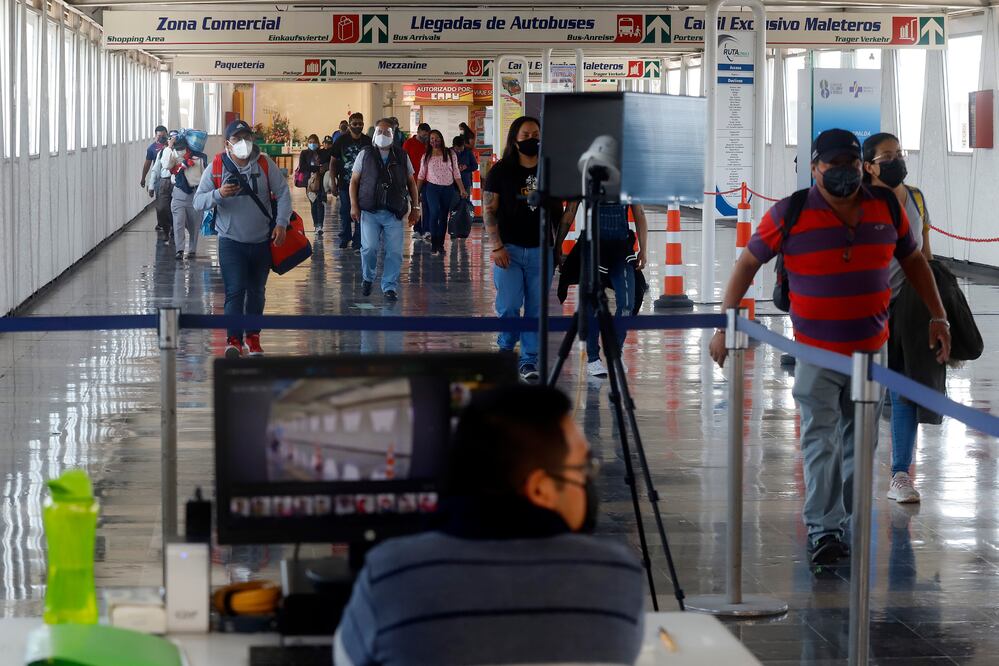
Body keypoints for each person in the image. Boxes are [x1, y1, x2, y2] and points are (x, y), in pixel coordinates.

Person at [708, 128, 952, 567]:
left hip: (870, 354)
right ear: (816, 167)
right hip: (816, 353)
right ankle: (825, 531)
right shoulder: (791, 212)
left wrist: (938, 315)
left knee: (860, 445)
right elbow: (748, 262)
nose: (845, 172)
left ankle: (846, 523)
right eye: (835, 164)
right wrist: (725, 322)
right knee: (820, 439)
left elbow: (914, 259)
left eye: (853, 164)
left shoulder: (886, 209)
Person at [333, 384, 645, 666]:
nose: (588, 480)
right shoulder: (616, 577)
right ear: (539, 489)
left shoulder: (389, 575)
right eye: (583, 468)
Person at [862, 133, 933, 504]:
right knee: (863, 392)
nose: (896, 161)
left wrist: (936, 310)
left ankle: (900, 474)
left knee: (904, 390)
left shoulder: (916, 197)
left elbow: (926, 255)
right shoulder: (860, 201)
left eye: (899, 154)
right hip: (868, 308)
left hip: (908, 310)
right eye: (887, 156)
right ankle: (851, 467)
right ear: (869, 165)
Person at [193, 120, 291, 359]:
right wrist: (218, 194)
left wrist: (281, 223)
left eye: (247, 137)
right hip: (231, 241)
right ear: (228, 143)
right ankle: (233, 339)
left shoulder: (265, 163)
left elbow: (283, 192)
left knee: (257, 291)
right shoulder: (216, 166)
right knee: (235, 290)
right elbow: (198, 202)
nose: (243, 143)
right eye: (237, 139)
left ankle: (253, 338)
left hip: (261, 241)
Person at [484, 116, 568, 382]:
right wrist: (496, 245)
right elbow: (489, 210)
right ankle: (506, 346)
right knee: (509, 305)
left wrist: (558, 248)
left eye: (536, 134)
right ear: (514, 138)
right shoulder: (501, 171)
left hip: (541, 251)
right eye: (526, 134)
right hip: (508, 249)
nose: (532, 139)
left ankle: (529, 359)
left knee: (535, 308)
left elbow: (561, 214)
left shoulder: (550, 171)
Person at [556, 202, 648, 378]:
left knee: (628, 302)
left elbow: (640, 213)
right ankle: (592, 358)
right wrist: (558, 246)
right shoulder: (586, 177)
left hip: (621, 249)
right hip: (592, 249)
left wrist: (643, 249)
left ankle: (616, 352)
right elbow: (570, 212)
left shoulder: (627, 178)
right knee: (592, 304)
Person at [350, 119, 421, 302]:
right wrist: (354, 205)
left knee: (394, 252)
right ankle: (367, 278)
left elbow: (411, 183)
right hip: (370, 212)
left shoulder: (401, 156)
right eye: (379, 131)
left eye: (387, 132)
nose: (383, 135)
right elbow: (354, 181)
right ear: (374, 133)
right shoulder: (365, 154)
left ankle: (389, 286)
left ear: (393, 134)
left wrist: (415, 207)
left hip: (393, 213)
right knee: (369, 249)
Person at [417, 129, 468, 257]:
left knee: (444, 216)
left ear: (442, 139)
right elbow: (421, 175)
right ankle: (434, 244)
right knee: (434, 213)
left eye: (437, 138)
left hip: (448, 188)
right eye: (432, 139)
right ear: (429, 141)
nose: (435, 141)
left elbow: (456, 173)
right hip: (432, 188)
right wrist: (416, 193)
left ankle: (440, 244)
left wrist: (462, 189)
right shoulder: (426, 156)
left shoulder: (450, 154)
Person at [161, 129, 208, 260]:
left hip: (195, 194)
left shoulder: (199, 157)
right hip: (179, 194)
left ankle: (192, 249)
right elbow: (165, 164)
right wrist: (169, 148)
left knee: (194, 225)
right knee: (178, 222)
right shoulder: (173, 155)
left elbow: (205, 177)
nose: (180, 148)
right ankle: (180, 250)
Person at [330, 113, 371, 250]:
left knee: (361, 212)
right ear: (349, 125)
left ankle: (358, 240)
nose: (358, 126)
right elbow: (333, 163)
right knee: (345, 211)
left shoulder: (368, 141)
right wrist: (333, 182)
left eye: (360, 123)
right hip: (344, 184)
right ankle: (345, 237)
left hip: (364, 185)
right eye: (355, 124)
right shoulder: (341, 141)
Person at [142, 125, 174, 241]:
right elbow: (149, 165)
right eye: (159, 135)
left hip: (172, 181)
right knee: (161, 205)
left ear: (167, 134)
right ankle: (162, 223)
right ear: (155, 136)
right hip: (160, 180)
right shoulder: (152, 149)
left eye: (163, 135)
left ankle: (172, 226)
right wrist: (144, 178)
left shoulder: (175, 148)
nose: (161, 137)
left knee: (171, 205)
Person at [404, 123, 432, 241]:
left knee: (427, 205)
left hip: (428, 180)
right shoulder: (409, 143)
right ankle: (417, 229)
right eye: (424, 135)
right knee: (415, 205)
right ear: (419, 131)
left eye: (427, 135)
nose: (425, 137)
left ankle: (426, 229)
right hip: (413, 180)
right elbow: (403, 160)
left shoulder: (429, 144)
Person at [298, 133, 327, 236]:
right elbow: (302, 167)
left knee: (321, 202)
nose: (312, 144)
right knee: (314, 203)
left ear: (318, 143)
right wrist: (317, 168)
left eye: (314, 142)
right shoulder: (304, 153)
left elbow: (325, 165)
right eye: (310, 142)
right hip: (309, 183)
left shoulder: (322, 153)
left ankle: (320, 226)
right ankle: (316, 224)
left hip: (321, 181)